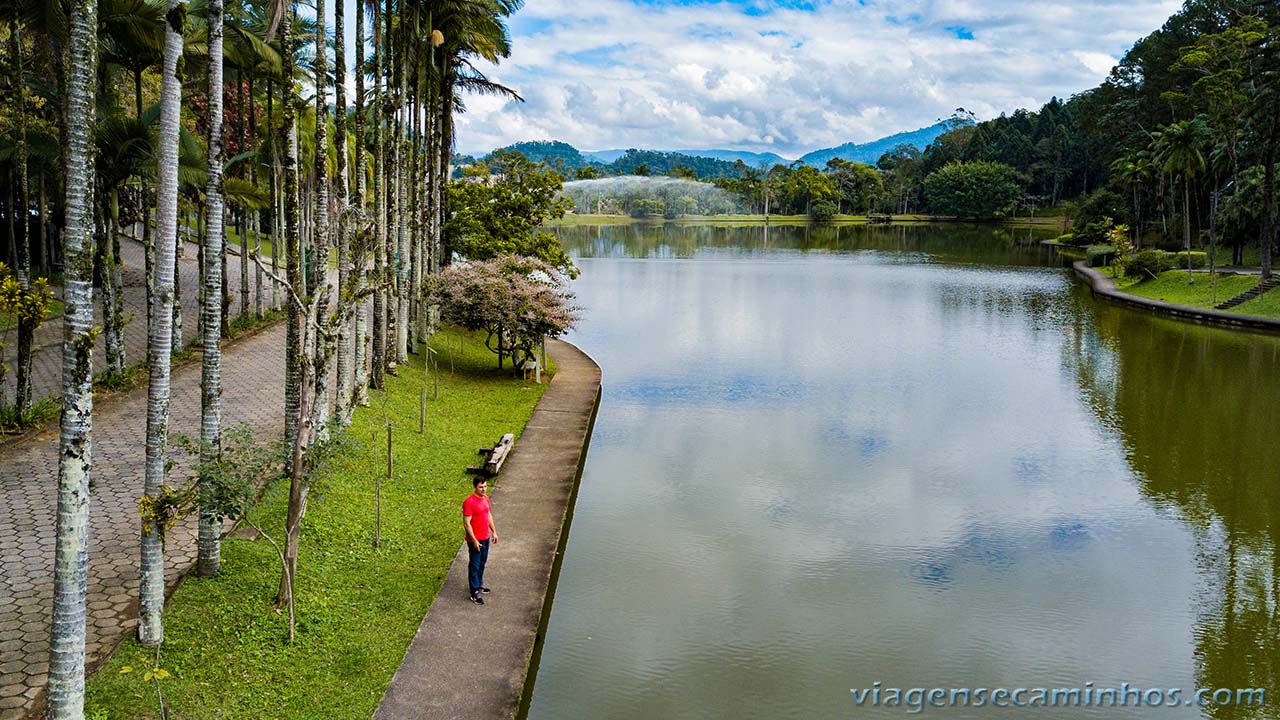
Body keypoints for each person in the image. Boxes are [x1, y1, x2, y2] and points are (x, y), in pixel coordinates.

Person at [463, 477, 499, 605]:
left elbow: (488, 515)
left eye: (485, 486)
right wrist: (474, 540)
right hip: (475, 540)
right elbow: (467, 524)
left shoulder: (486, 499)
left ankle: (479, 584)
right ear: (475, 487)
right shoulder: (469, 502)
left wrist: (493, 531)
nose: (484, 489)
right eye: (481, 487)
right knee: (474, 564)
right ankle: (474, 592)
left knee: (482, 562)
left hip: (485, 537)